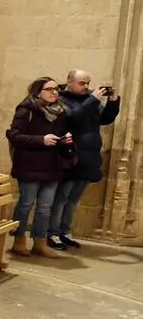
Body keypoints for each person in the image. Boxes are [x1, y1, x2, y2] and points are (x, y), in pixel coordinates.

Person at [49, 71, 120, 249]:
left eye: (88, 83)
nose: (86, 87)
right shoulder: (61, 99)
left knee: (74, 199)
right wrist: (93, 99)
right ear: (69, 82)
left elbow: (105, 119)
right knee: (62, 197)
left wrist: (112, 102)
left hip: (88, 157)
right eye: (82, 83)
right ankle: (52, 233)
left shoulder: (89, 100)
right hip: (70, 156)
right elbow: (73, 118)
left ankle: (65, 232)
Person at [6, 77, 76, 259]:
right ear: (38, 91)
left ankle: (40, 242)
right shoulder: (26, 109)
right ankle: (19, 239)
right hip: (30, 165)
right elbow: (14, 136)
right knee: (26, 204)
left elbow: (59, 134)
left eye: (56, 89)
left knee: (45, 207)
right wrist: (41, 140)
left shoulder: (61, 112)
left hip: (52, 166)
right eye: (49, 89)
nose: (54, 92)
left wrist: (65, 140)